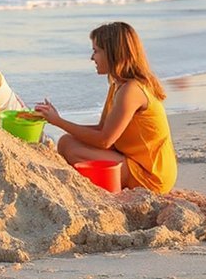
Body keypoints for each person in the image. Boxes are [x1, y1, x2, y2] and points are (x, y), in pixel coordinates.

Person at [34, 22, 177, 193]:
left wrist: (59, 122)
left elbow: (104, 140)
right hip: (133, 160)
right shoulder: (118, 85)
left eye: (96, 51)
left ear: (112, 53)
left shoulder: (132, 90)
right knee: (66, 141)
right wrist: (57, 120)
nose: (92, 58)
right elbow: (102, 128)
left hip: (150, 176)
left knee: (71, 148)